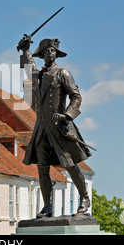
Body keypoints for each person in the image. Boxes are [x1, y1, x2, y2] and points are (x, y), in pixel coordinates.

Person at [18, 38, 92, 218]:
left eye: (53, 51)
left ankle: (84, 199)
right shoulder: (37, 76)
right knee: (42, 167)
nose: (50, 54)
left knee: (69, 164)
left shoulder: (62, 73)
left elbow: (76, 96)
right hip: (41, 126)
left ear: (56, 54)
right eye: (47, 51)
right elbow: (29, 67)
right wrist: (25, 50)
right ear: (42, 54)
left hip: (59, 126)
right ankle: (48, 206)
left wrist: (67, 115)